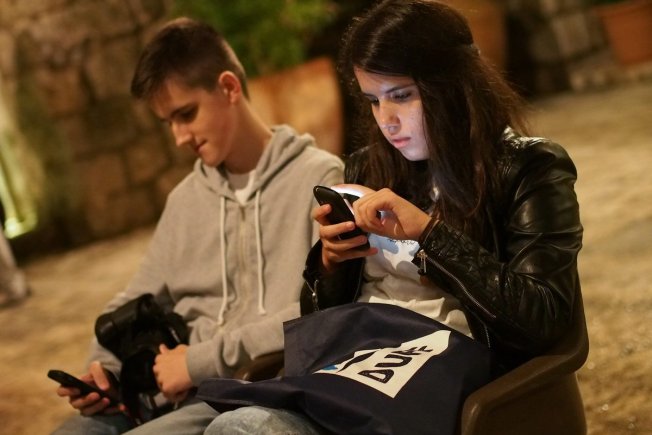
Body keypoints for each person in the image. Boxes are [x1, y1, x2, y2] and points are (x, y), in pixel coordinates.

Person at [201, 0, 583, 433]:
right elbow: (322, 320)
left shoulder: (528, 168)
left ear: (453, 85)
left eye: (401, 96)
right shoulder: (368, 166)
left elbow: (543, 320)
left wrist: (429, 234)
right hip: (355, 366)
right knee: (236, 425)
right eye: (373, 101)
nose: (387, 121)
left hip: (444, 379)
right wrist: (331, 263)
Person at [51, 17, 343, 435]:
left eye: (186, 114)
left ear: (229, 87)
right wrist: (103, 371)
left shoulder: (318, 178)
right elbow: (136, 297)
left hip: (254, 392)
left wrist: (198, 361)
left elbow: (321, 309)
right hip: (176, 397)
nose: (179, 137)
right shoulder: (186, 199)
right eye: (168, 122)